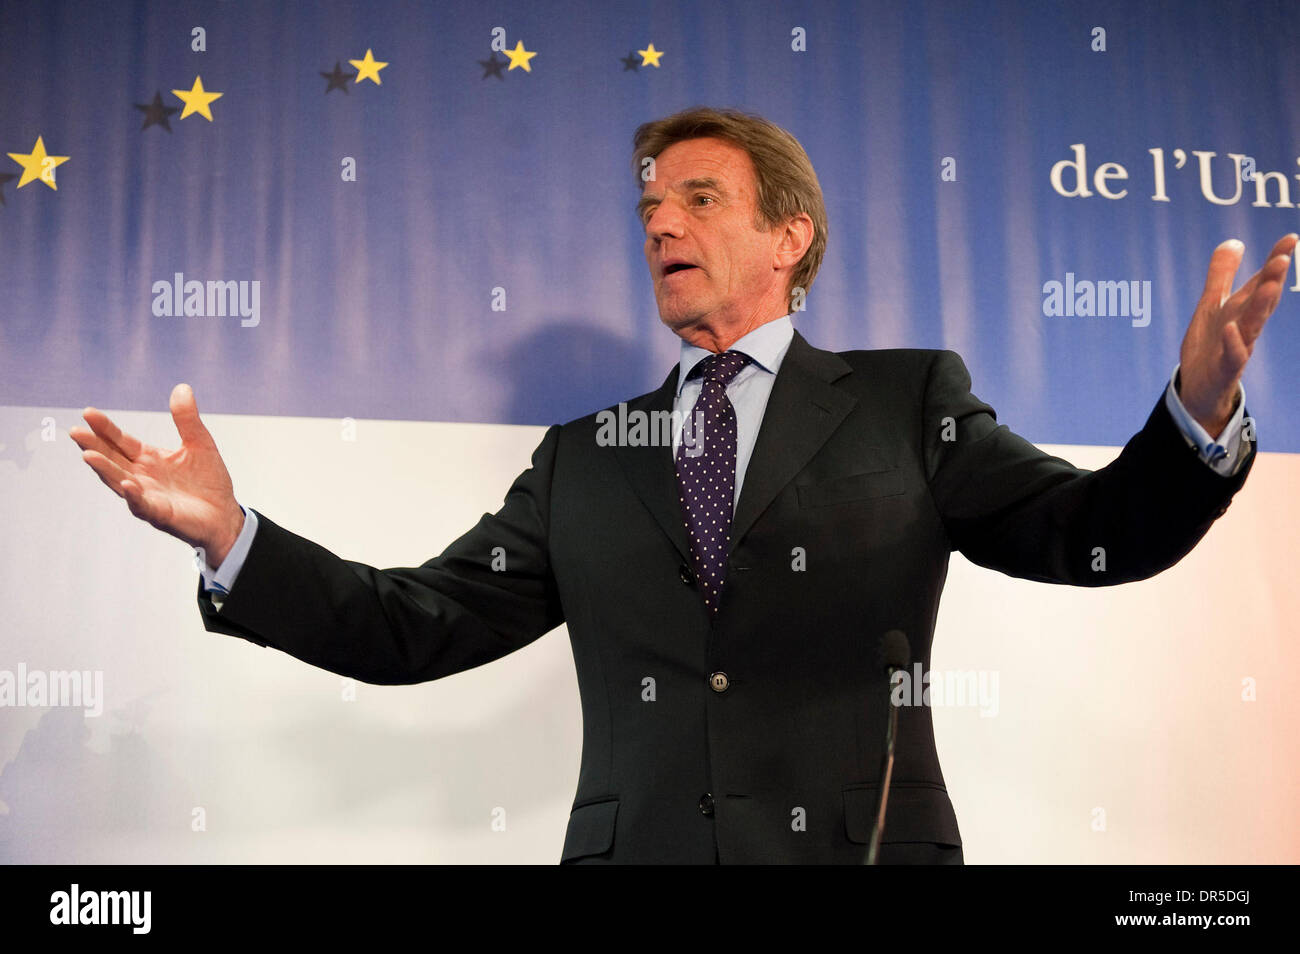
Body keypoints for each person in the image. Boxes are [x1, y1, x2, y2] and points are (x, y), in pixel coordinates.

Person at [71, 107, 1295, 864]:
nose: (660, 219)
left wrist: (1194, 414)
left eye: (698, 197)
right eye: (651, 204)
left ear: (789, 235)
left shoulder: (905, 399)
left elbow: (1088, 534)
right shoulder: (582, 457)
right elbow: (413, 626)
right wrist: (233, 540)